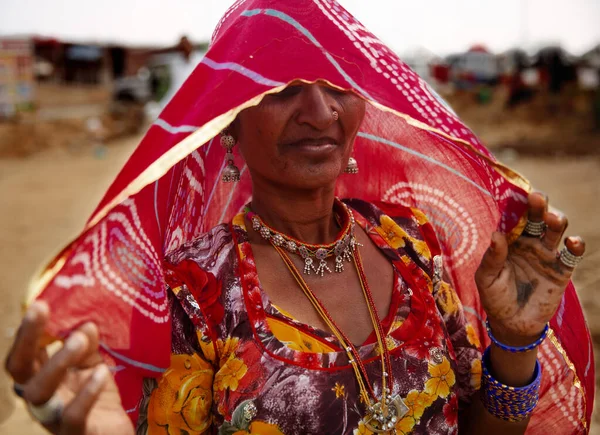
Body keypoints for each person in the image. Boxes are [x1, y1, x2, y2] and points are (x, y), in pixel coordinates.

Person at [5, 1, 593, 434]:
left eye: (337, 84)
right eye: (283, 89)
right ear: (229, 119)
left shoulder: (410, 244)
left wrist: (515, 345)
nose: (319, 111)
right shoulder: (195, 291)